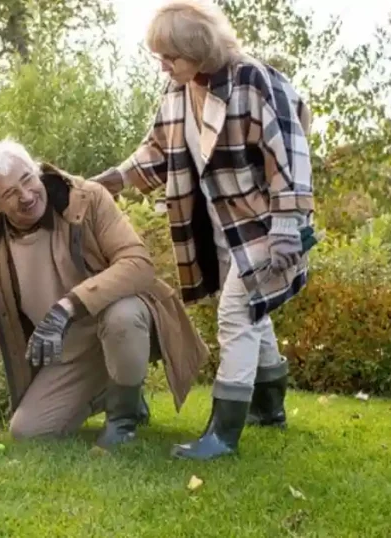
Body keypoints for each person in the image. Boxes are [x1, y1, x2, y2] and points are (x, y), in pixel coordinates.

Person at [89, 0, 315, 460]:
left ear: (198, 47)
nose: (163, 66)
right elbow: (156, 152)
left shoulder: (252, 79)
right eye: (159, 57)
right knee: (255, 309)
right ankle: (269, 408)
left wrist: (287, 229)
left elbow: (288, 155)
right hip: (221, 225)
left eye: (169, 56)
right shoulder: (179, 91)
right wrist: (109, 181)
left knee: (236, 313)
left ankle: (223, 434)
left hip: (267, 225)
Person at [0, 140, 209, 450]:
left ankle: (123, 421)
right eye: (10, 194)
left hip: (122, 322)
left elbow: (137, 264)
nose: (26, 195)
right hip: (72, 350)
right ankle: (114, 387)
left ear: (35, 169)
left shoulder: (88, 198)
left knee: (122, 316)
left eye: (27, 179)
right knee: (28, 432)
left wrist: (66, 308)